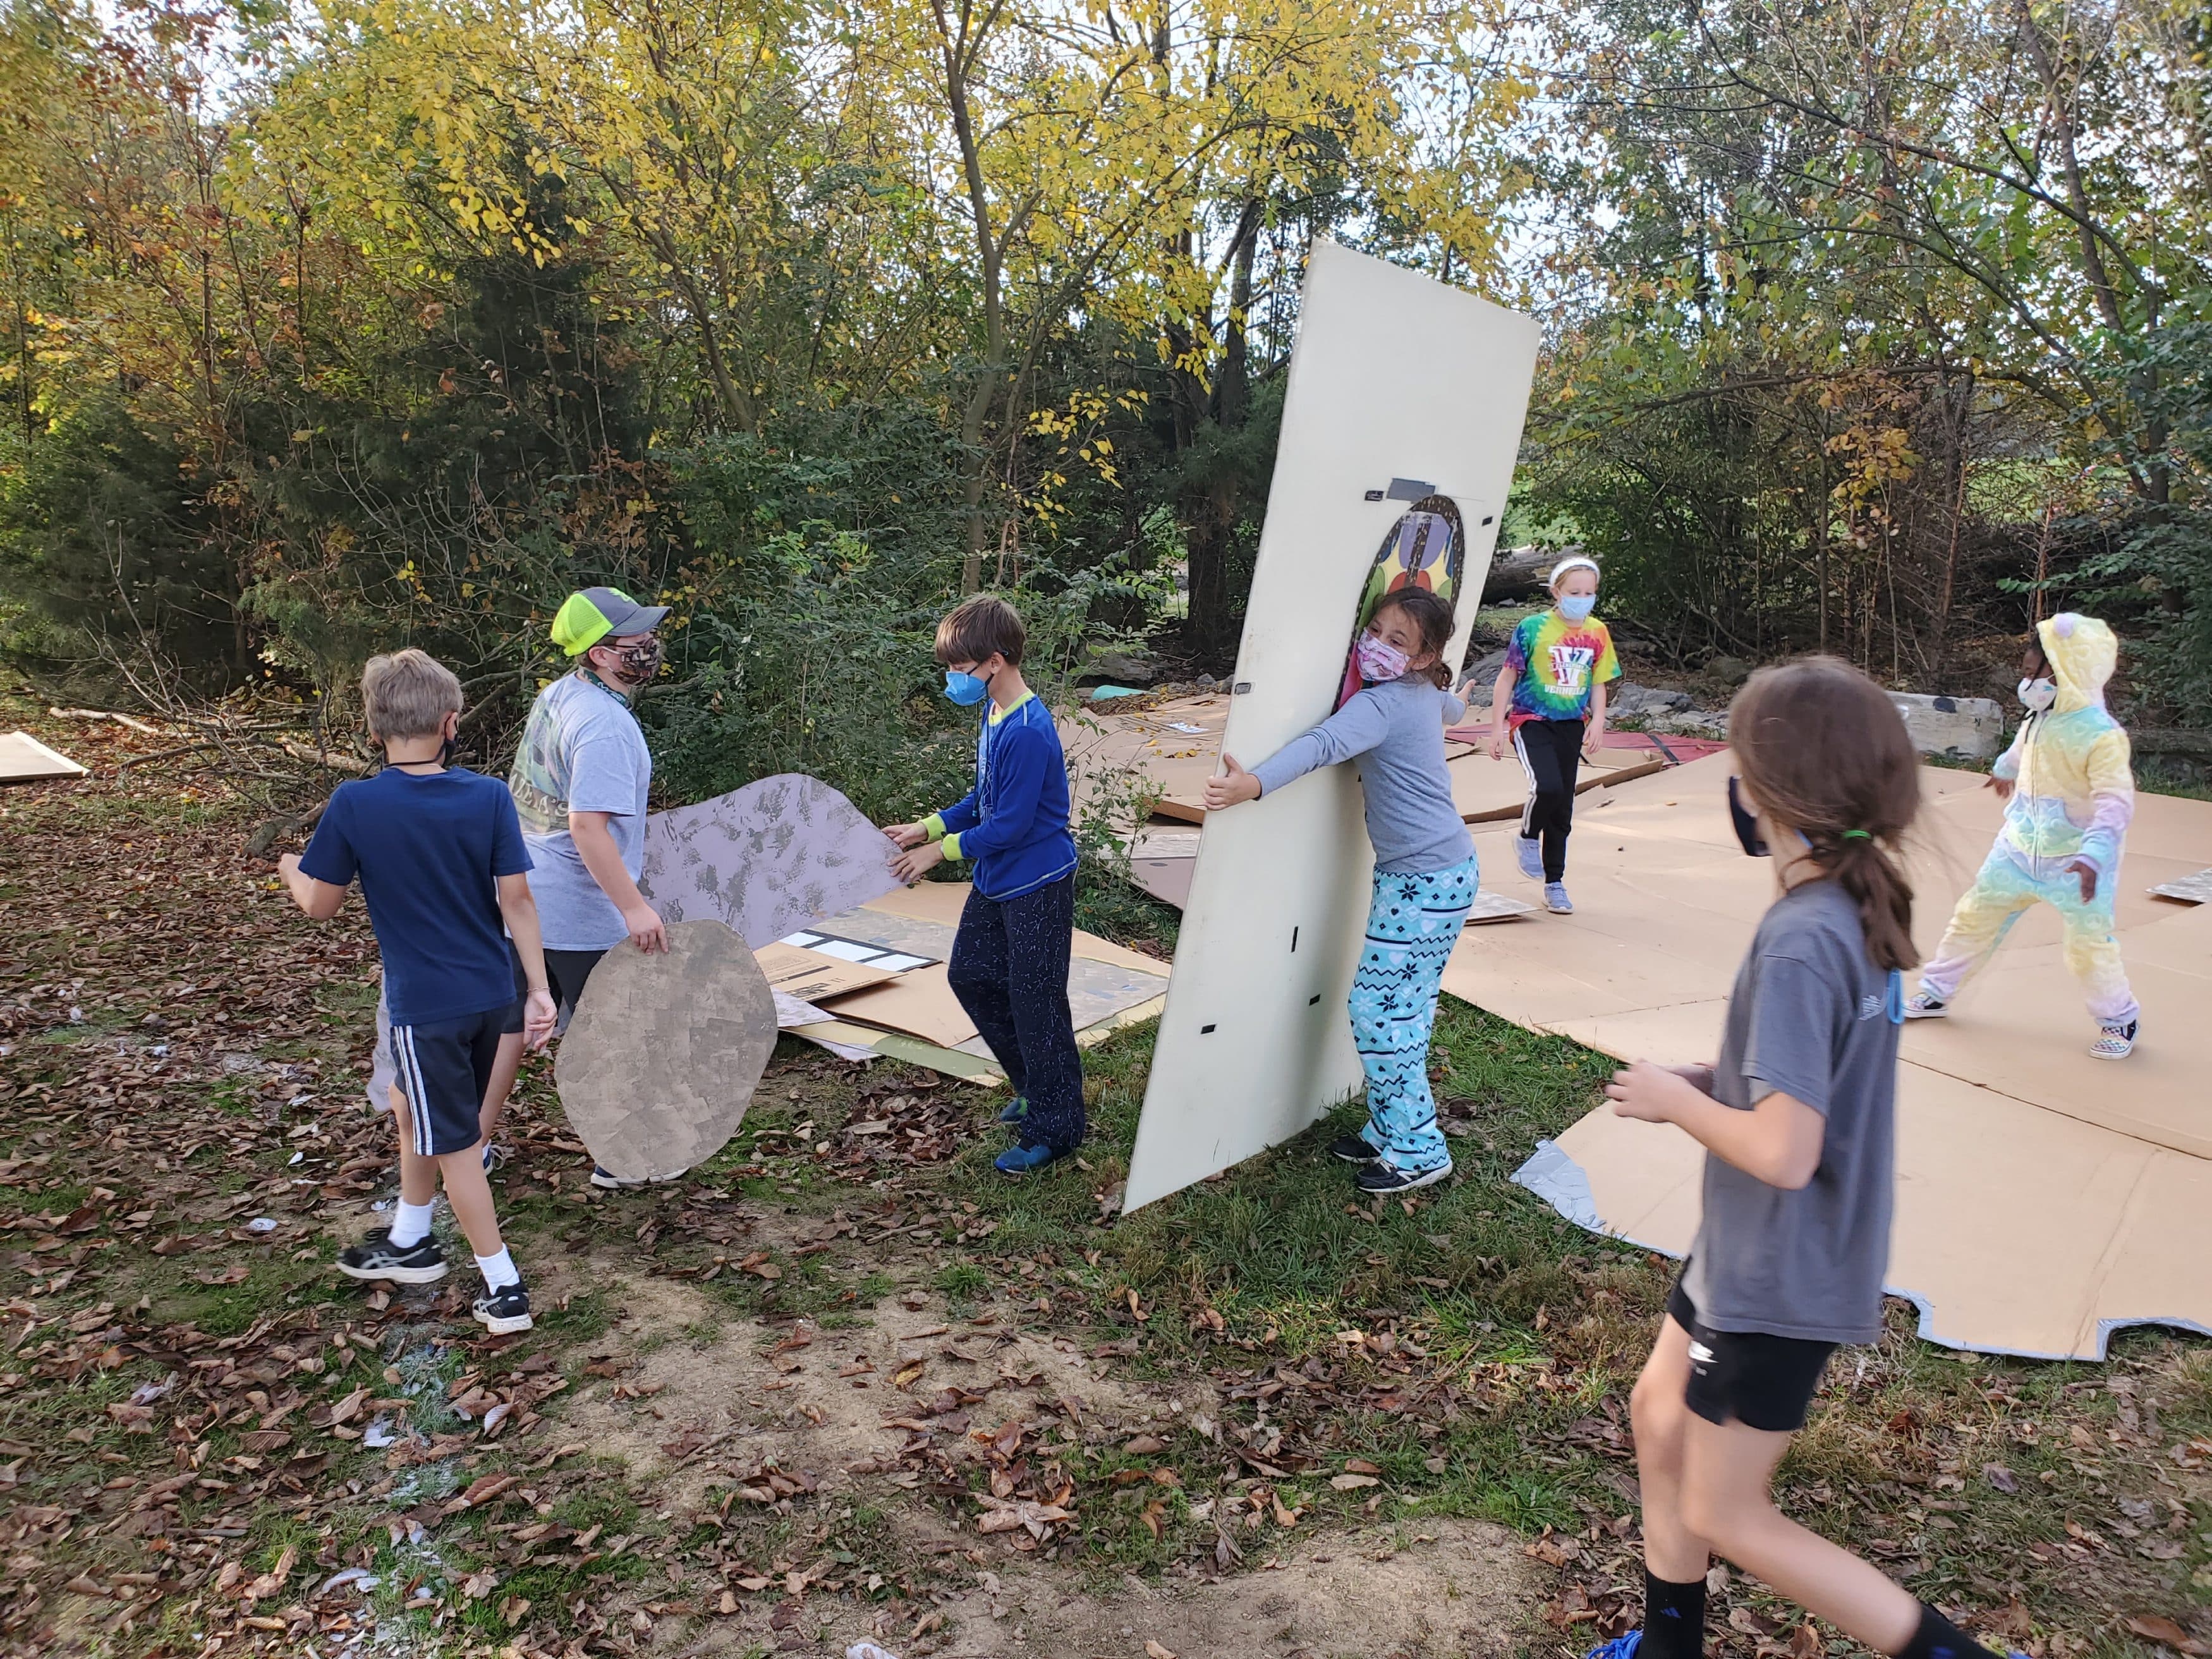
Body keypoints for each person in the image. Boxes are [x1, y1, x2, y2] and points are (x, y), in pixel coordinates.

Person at [1589, 657, 2019, 1659]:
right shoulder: (1848, 907)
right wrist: (1715, 1077)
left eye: (1738, 765)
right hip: (1757, 1250)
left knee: (1728, 1512)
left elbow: (1784, 1151)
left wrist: (1675, 1104)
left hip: (1777, 1272)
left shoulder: (1800, 938)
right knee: (1659, 1414)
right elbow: (1812, 1078)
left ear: (1769, 792)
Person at [279, 650, 557, 1335]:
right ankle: (410, 1236)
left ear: (373, 730)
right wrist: (538, 990)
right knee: (409, 1103)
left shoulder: (354, 803)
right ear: (451, 723)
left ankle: (504, 1288)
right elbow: (518, 901)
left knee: (456, 1145)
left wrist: (289, 867)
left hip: (427, 1009)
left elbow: (318, 905)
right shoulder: (488, 796)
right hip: (493, 992)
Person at [1206, 586, 1477, 1194]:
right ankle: (1391, 1128)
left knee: (1378, 1011)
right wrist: (1461, 702)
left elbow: (1322, 744)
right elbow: (1449, 710)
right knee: (1405, 1008)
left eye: (1396, 640)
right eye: (1374, 630)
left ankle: (1420, 1149)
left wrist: (1253, 784)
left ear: (1422, 656)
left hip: (1423, 883)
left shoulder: (1383, 704)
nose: (1377, 645)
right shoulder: (1423, 692)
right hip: (1442, 874)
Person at [881, 596, 1084, 1176]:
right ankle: (1033, 1084)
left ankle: (1056, 1127)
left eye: (959, 667)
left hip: (1037, 881)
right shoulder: (994, 714)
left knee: (1037, 1002)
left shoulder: (1028, 730)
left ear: (995, 661)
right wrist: (928, 825)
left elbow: (1011, 825)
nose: (953, 678)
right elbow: (984, 800)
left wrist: (937, 852)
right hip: (998, 878)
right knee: (970, 975)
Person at [1904, 613, 2139, 1059]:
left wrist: (2094, 854)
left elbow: (2115, 801)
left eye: (2034, 674)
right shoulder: (2038, 717)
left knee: (2088, 945)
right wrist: (2004, 771)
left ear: (2065, 671)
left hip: (2076, 863)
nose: (2026, 683)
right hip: (2015, 850)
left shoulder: (2102, 735)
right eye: (2026, 674)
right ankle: (1936, 991)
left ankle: (2119, 1017)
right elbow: (2021, 749)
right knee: (1973, 917)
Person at [507, 585, 671, 1187]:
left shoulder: (560, 695)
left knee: (508, 1033)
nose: (651, 646)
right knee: (619, 1032)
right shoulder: (605, 725)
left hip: (526, 901)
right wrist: (633, 907)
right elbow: (585, 825)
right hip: (580, 908)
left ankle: (467, 1145)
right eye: (637, 640)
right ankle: (620, 1159)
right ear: (600, 654)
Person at [1485, 554, 1619, 915]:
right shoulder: (1532, 628)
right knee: (1547, 788)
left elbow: (1598, 682)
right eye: (1574, 592)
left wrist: (1598, 720)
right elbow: (1507, 678)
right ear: (1556, 592)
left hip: (1571, 724)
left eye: (1589, 593)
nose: (1582, 598)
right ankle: (1528, 836)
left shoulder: (1597, 632)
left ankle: (1554, 882)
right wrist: (1497, 728)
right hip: (1532, 720)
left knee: (1563, 808)